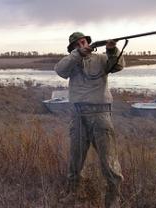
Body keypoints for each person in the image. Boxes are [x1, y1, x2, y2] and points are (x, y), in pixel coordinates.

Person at [54, 32, 125, 207]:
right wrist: (78, 54)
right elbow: (60, 70)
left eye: (83, 42)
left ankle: (114, 198)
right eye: (77, 44)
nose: (81, 45)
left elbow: (117, 66)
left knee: (109, 160)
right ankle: (73, 193)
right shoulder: (71, 60)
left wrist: (112, 50)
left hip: (100, 114)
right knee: (75, 159)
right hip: (78, 115)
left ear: (88, 42)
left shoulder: (101, 59)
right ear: (72, 48)